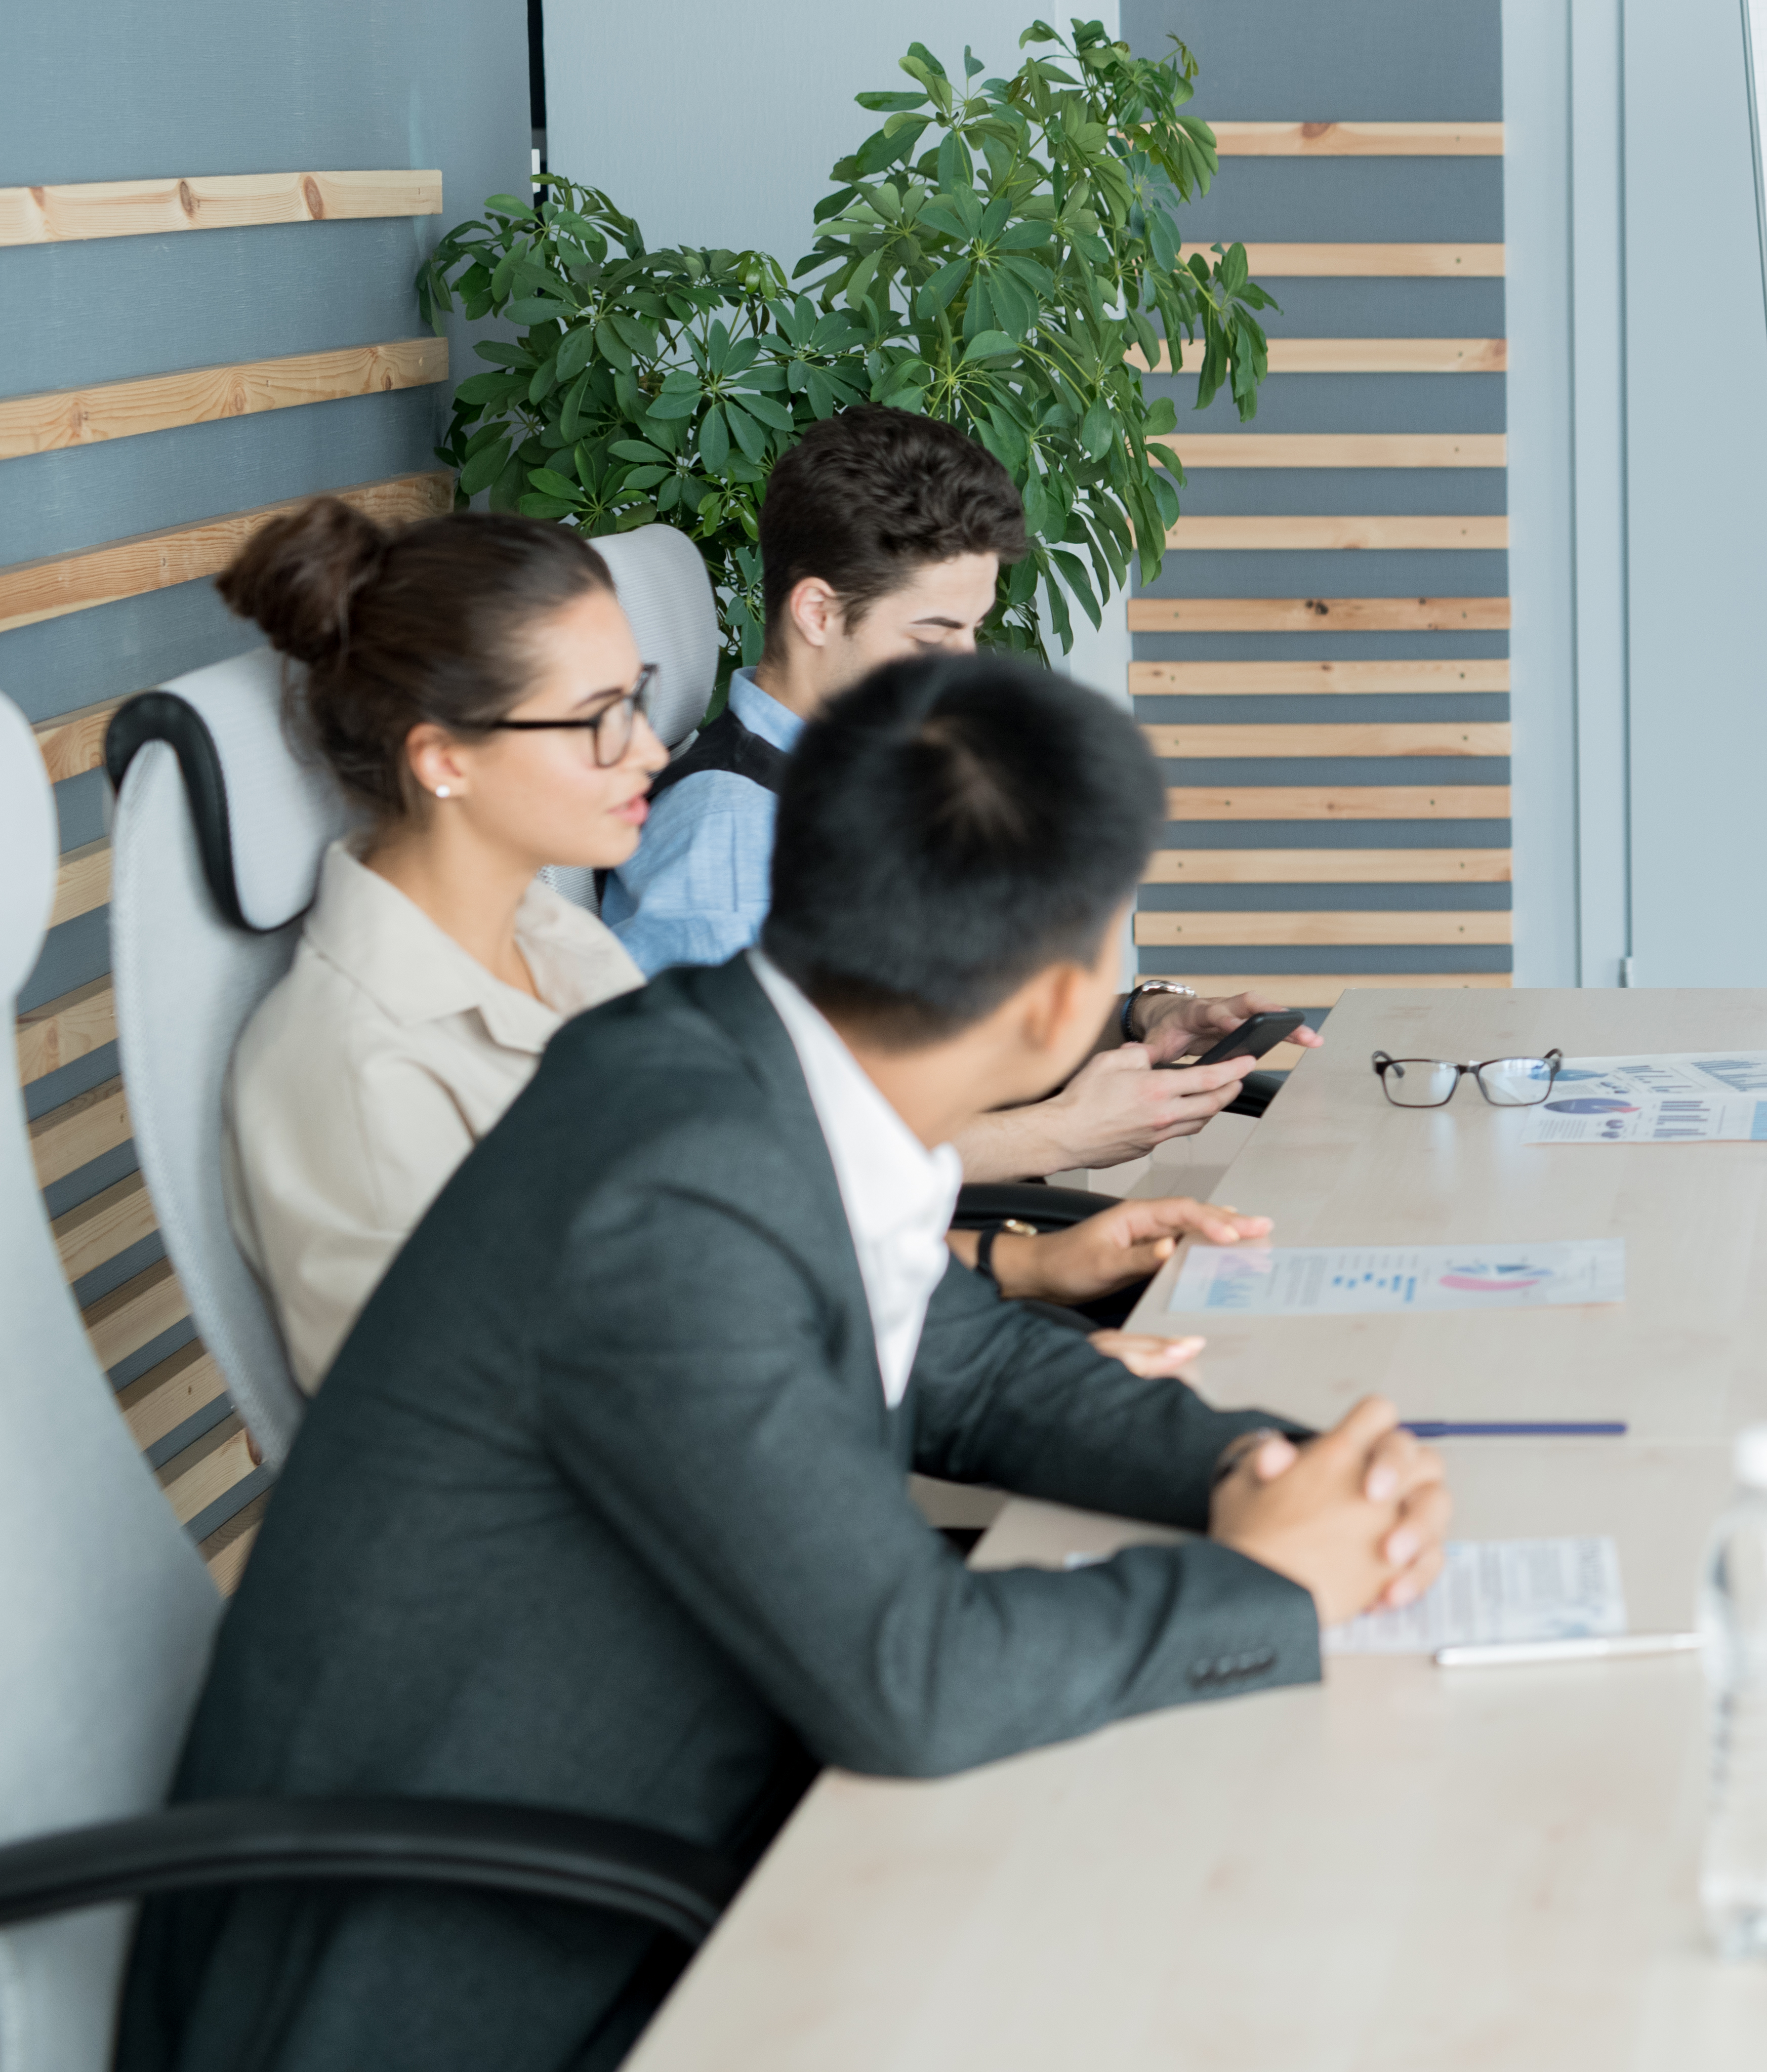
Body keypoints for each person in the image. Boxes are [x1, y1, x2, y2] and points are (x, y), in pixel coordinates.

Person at [121, 652, 1454, 2072]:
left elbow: (976, 1367)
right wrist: (1267, 1584)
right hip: (448, 1980)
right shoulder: (676, 1189)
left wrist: (1261, 1469)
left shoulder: (746, 1066)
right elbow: (912, 1684)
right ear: (1066, 1006)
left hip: (650, 1833)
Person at [211, 496, 1242, 1392]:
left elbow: (739, 1242)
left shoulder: (560, 946)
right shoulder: (356, 1070)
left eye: (639, 696)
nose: (650, 750)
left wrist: (1023, 1273)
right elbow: (515, 1429)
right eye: (599, 719)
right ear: (443, 759)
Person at [601, 405, 1310, 1178]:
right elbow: (744, 1145)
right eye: (932, 638)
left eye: (972, 632)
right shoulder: (731, 838)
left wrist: (1142, 1020)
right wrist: (1058, 1136)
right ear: (817, 611)